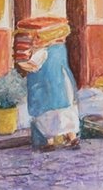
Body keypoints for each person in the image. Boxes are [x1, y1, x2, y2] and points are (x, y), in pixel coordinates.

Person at [13, 17, 80, 149]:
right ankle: (72, 138)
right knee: (66, 113)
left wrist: (20, 63)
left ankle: (49, 142)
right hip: (63, 88)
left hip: (46, 91)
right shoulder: (60, 47)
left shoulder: (41, 51)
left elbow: (32, 65)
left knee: (47, 117)